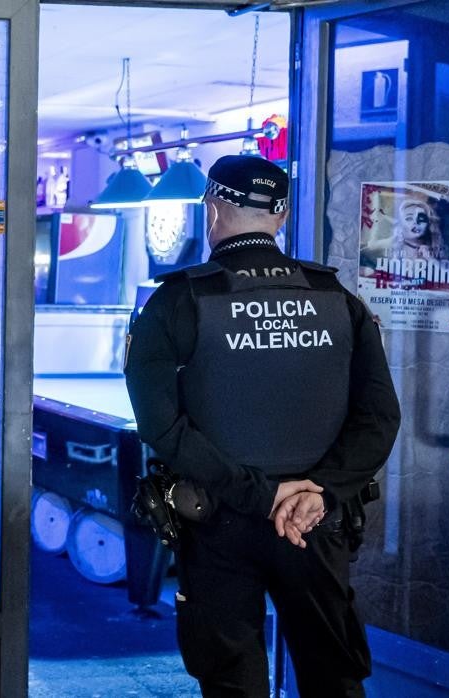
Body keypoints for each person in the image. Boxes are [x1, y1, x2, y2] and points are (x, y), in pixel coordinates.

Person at [125, 155, 401, 698]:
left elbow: (161, 426)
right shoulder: (339, 300)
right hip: (315, 523)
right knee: (334, 678)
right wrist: (318, 493)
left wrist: (257, 493)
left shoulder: (175, 302)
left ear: (212, 211)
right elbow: (380, 417)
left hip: (218, 518)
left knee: (232, 681)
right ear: (280, 217)